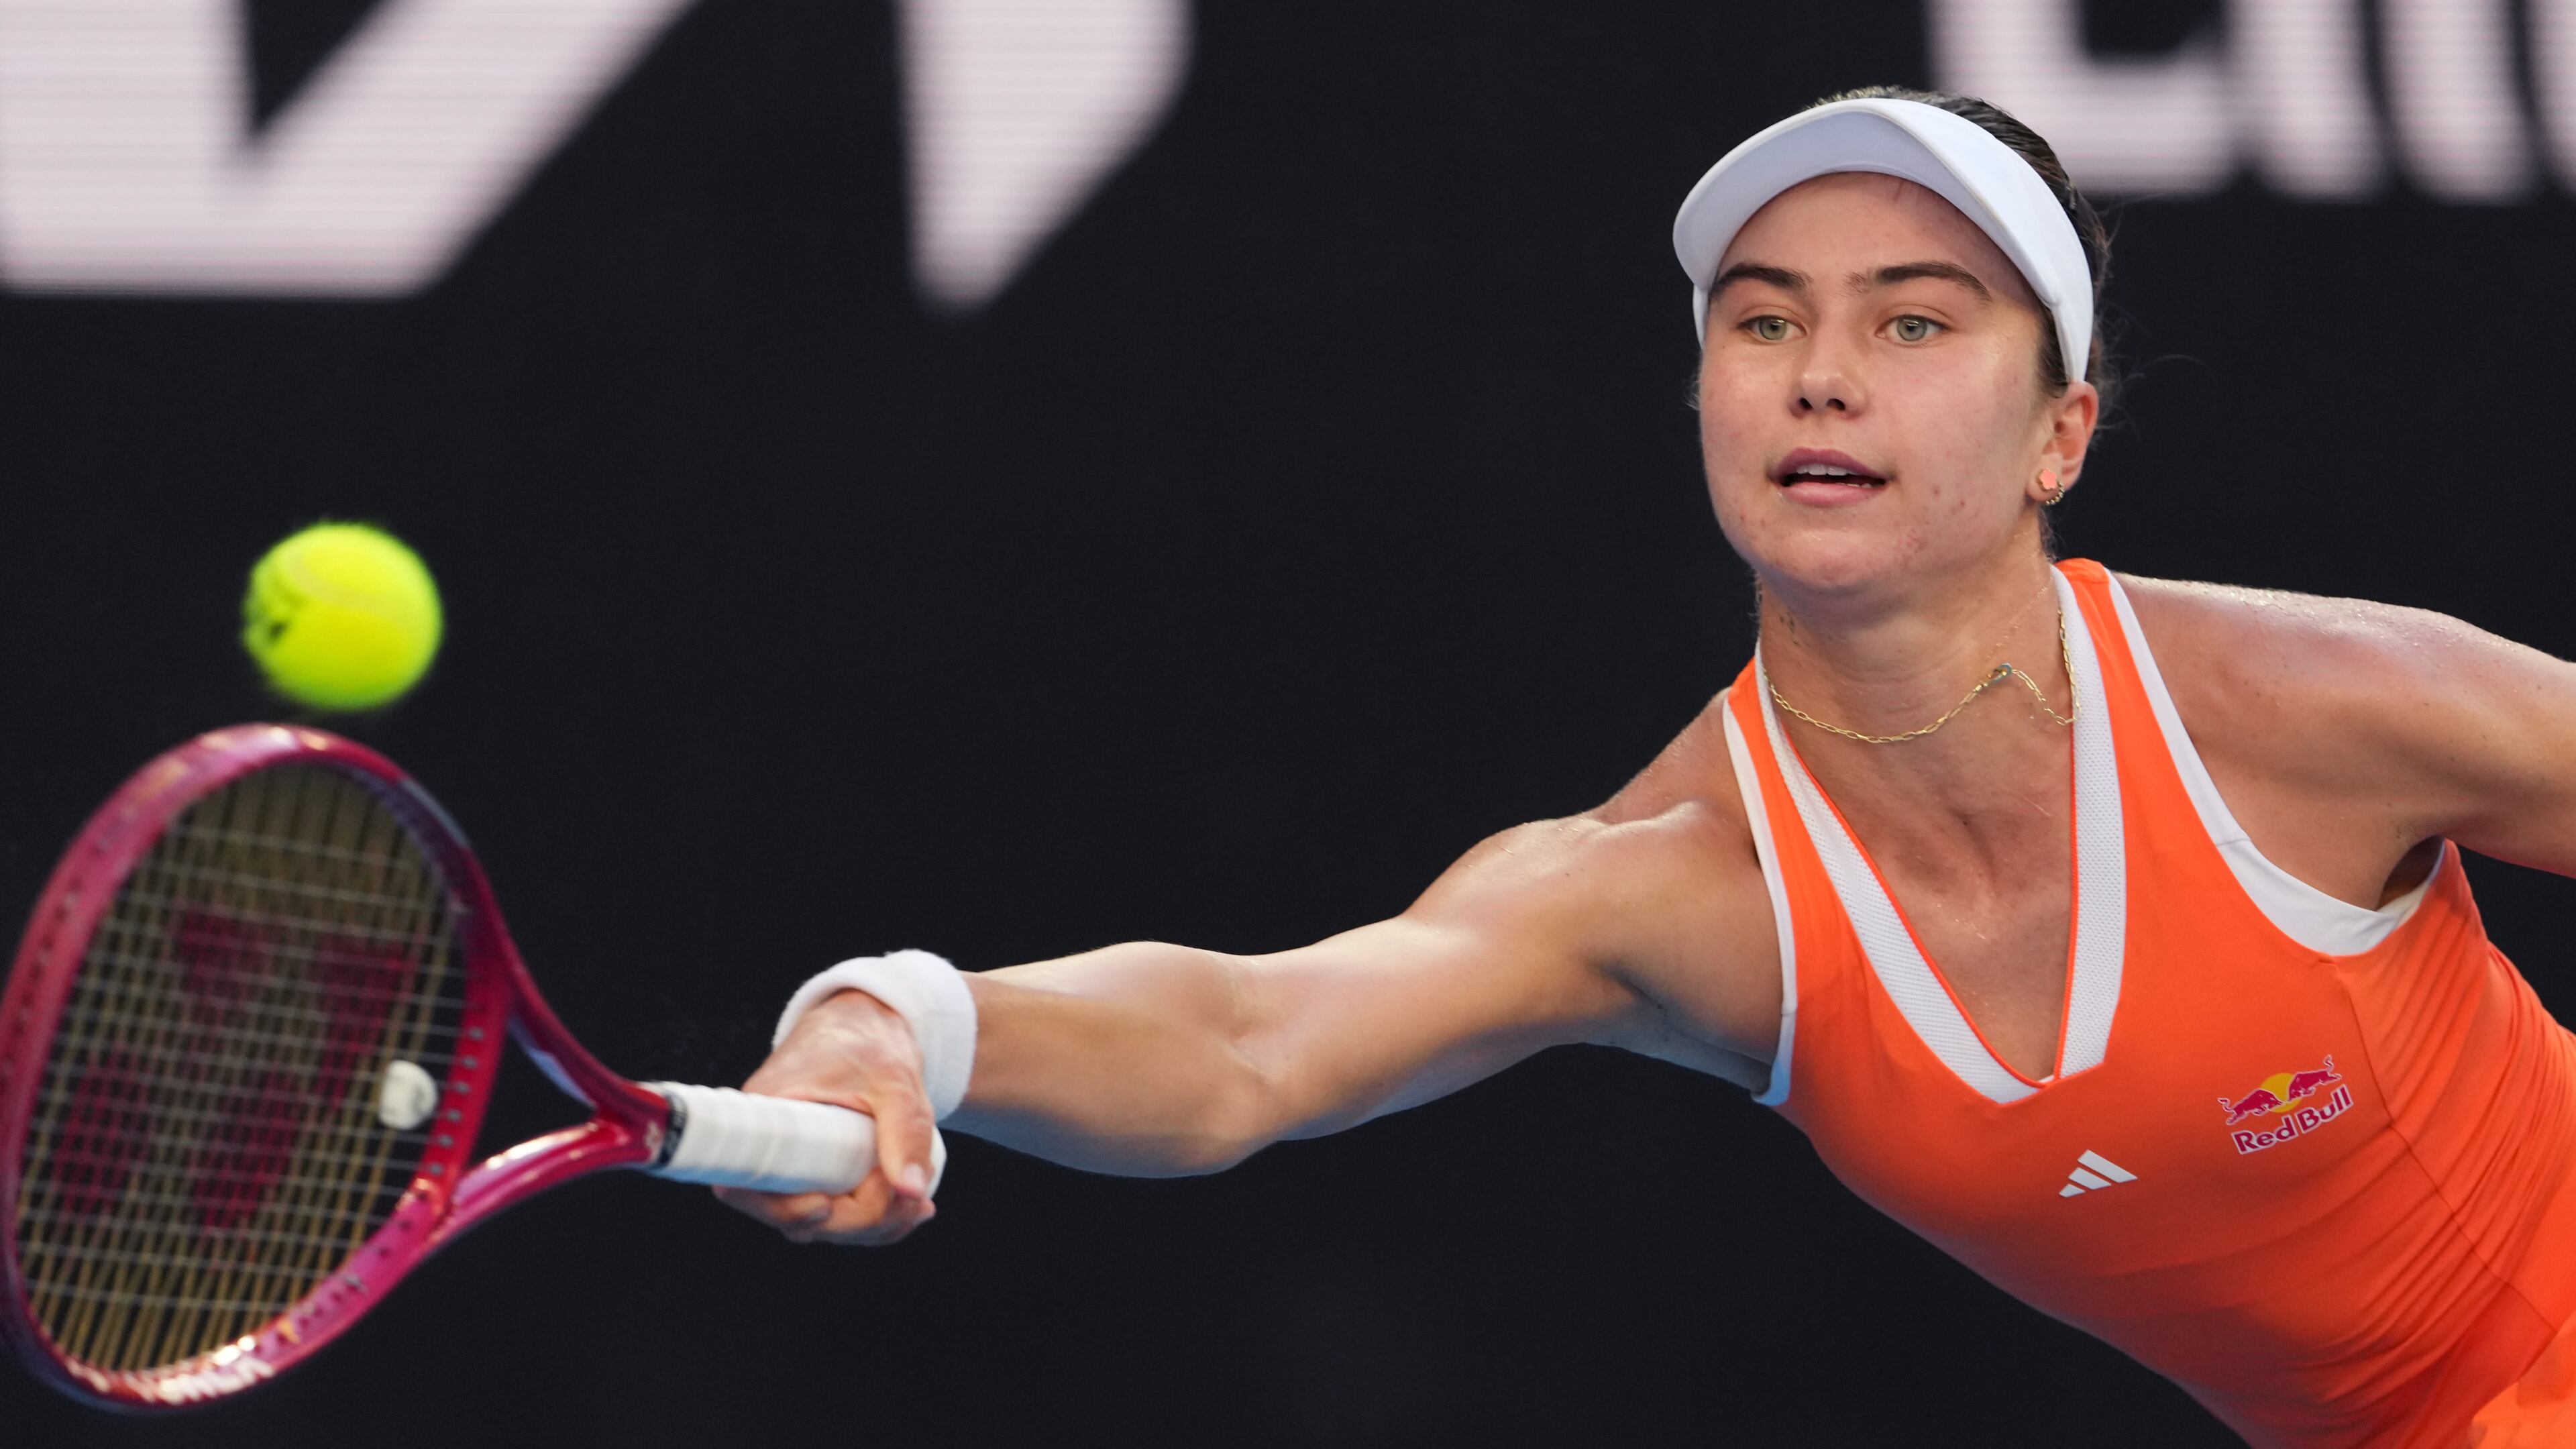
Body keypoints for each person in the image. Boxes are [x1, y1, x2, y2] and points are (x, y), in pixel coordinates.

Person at [716, 87, 2576, 1448]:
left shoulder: (2308, 705)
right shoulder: (1678, 888)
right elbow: (1245, 1047)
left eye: (1913, 322)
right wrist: (901, 1022)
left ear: (2061, 434)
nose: (1819, 374)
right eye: (1763, 321)